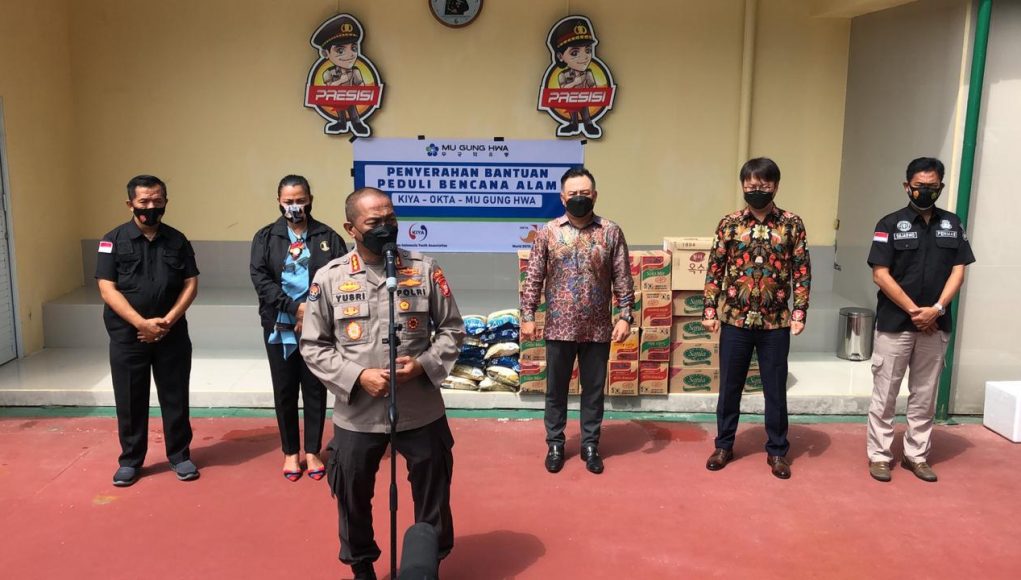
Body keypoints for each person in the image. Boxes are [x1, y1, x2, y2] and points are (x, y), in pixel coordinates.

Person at [300, 187, 464, 580]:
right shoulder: (330, 278)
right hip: (358, 413)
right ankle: (362, 565)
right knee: (352, 493)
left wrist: (422, 365)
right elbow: (313, 344)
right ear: (351, 228)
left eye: (390, 219)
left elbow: (452, 330)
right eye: (374, 222)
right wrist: (357, 376)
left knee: (433, 490)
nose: (386, 228)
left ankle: (426, 562)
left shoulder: (424, 269)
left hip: (419, 407)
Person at [865, 157, 975, 483]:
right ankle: (880, 456)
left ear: (941, 187)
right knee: (885, 394)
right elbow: (880, 274)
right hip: (895, 324)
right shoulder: (889, 224)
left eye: (932, 186)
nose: (925, 191)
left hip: (935, 324)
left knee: (925, 395)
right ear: (907, 186)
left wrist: (936, 309)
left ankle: (917, 455)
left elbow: (958, 272)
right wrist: (915, 310)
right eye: (919, 186)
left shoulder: (952, 224)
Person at [702, 158, 811, 479]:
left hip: (775, 322)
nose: (757, 191)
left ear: (775, 186)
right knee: (729, 388)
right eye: (751, 186)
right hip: (735, 320)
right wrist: (709, 309)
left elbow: (802, 271)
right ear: (743, 186)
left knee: (775, 389)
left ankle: (777, 451)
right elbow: (715, 268)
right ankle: (723, 445)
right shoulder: (729, 223)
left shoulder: (792, 224)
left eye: (763, 186)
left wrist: (800, 311)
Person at [520, 166, 634, 475]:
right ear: (562, 198)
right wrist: (528, 314)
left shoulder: (611, 231)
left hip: (598, 327)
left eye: (585, 193)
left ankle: (590, 445)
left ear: (594, 196)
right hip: (559, 326)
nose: (579, 198)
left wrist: (625, 315)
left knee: (593, 392)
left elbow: (622, 276)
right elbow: (534, 277)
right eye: (573, 194)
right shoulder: (548, 232)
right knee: (555, 391)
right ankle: (555, 444)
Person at [96, 175, 200, 487]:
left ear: (166, 202)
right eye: (144, 201)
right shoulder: (112, 241)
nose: (151, 207)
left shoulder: (177, 240)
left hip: (172, 335)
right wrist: (141, 324)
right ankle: (130, 460)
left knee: (175, 396)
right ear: (130, 204)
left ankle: (180, 455)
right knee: (130, 399)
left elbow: (191, 283)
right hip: (128, 337)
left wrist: (167, 321)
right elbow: (107, 288)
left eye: (157, 200)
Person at [250, 175, 348, 481]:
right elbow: (260, 278)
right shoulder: (266, 238)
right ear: (279, 202)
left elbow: (341, 277)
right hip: (280, 325)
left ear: (310, 200)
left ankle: (313, 450)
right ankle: (291, 452)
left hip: (318, 327)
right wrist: (294, 308)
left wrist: (312, 309)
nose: (295, 207)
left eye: (300, 201)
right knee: (285, 389)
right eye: (289, 201)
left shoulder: (328, 237)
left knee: (315, 388)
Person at [312, 15, 370, 137]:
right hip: (337, 98)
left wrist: (361, 91)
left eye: (354, 48)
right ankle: (341, 123)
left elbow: (362, 86)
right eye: (340, 51)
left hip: (351, 98)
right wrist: (340, 81)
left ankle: (356, 123)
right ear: (326, 53)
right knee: (339, 107)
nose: (350, 54)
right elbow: (328, 89)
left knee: (352, 110)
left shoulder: (355, 71)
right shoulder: (328, 73)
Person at [549, 17, 602, 138]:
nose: (584, 57)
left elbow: (594, 87)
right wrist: (574, 83)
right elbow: (563, 89)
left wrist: (591, 92)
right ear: (560, 56)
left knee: (585, 114)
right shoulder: (563, 75)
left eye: (588, 50)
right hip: (571, 101)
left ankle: (588, 125)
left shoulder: (588, 73)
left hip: (584, 100)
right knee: (572, 112)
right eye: (574, 53)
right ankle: (573, 124)